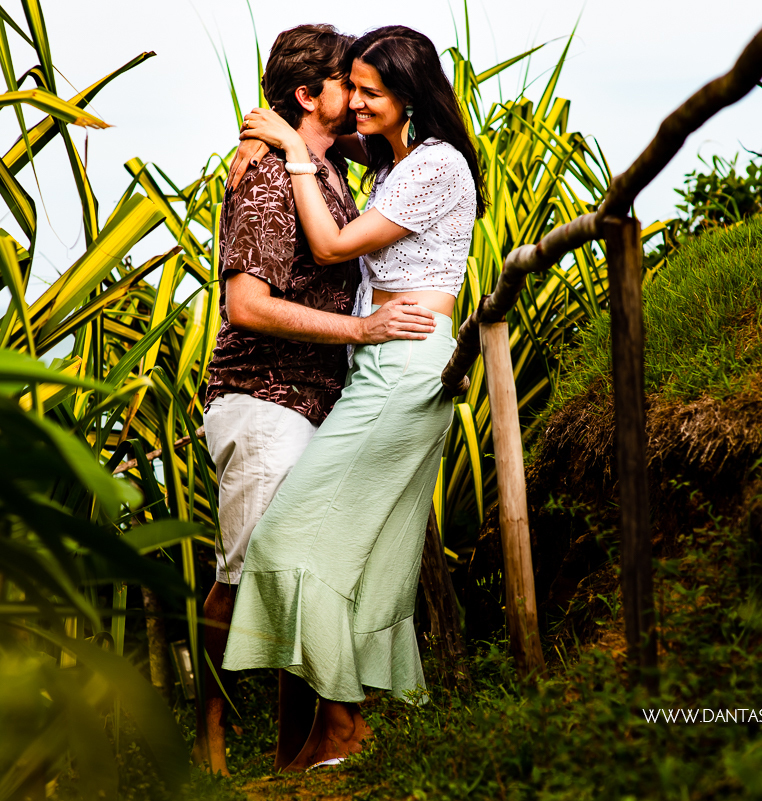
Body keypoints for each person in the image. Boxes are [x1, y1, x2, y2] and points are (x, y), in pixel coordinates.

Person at [222, 25, 487, 771]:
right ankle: (332, 731)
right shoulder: (392, 161)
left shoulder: (435, 165)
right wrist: (264, 143)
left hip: (403, 360)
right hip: (383, 364)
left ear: (408, 96)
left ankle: (344, 725)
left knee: (287, 538)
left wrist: (294, 153)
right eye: (355, 88)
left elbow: (336, 248)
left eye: (371, 92)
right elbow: (306, 116)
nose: (358, 105)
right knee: (360, 553)